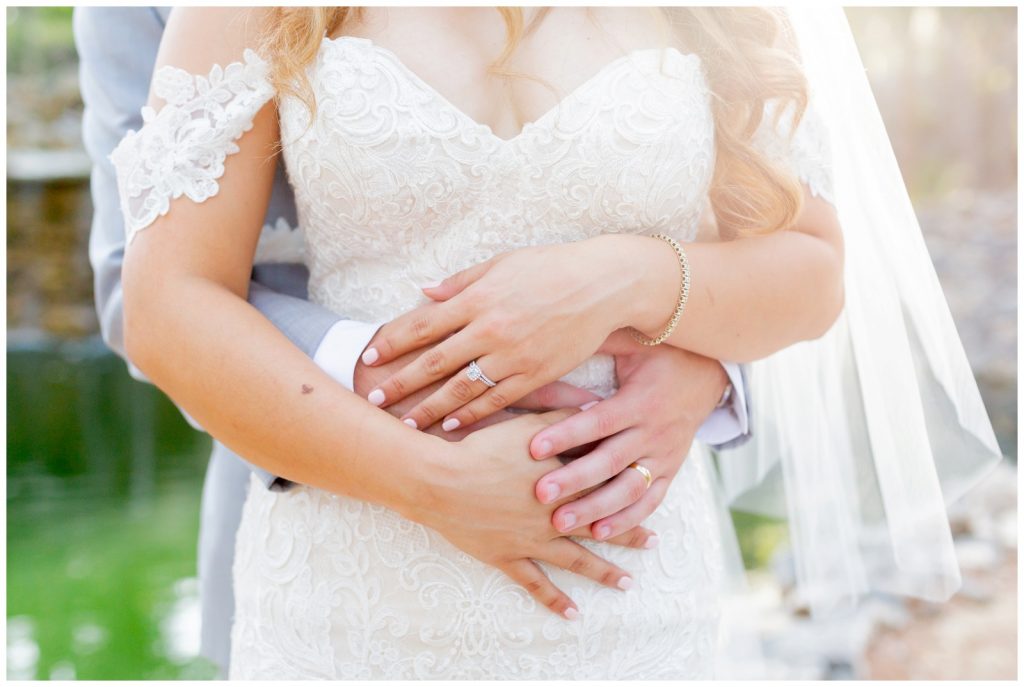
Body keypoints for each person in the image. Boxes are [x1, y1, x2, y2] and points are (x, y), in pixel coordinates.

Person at [107, 5, 1001, 679]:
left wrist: (634, 277)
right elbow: (165, 301)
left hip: (627, 602)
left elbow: (811, 270)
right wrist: (433, 484)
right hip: (349, 595)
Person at [75, 6, 752, 677]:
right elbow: (148, 294)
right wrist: (428, 448)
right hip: (342, 564)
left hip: (633, 582)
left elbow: (806, 249)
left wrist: (679, 327)